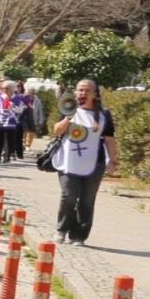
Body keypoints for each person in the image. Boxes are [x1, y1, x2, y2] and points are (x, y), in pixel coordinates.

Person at [53, 79, 117, 245]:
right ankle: (61, 230)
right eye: (80, 90)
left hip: (95, 163)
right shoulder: (68, 108)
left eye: (88, 91)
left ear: (95, 94)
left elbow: (109, 139)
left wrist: (112, 161)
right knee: (69, 196)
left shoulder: (103, 113)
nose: (83, 94)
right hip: (69, 161)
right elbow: (57, 131)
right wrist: (69, 118)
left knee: (87, 200)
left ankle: (79, 235)